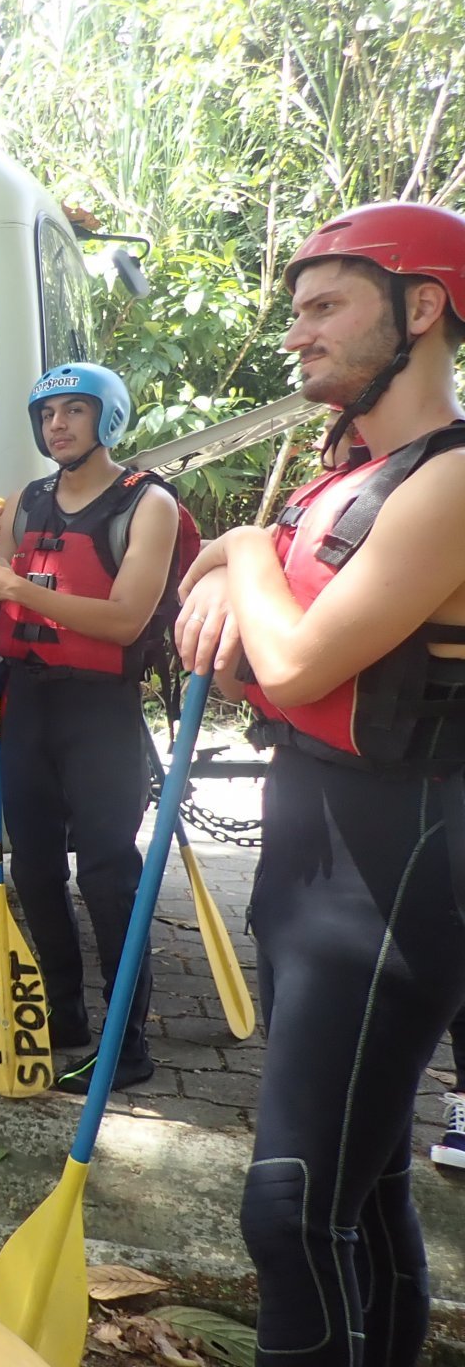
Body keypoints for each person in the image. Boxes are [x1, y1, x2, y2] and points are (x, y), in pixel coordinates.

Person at [177, 201, 465, 1364]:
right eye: (295, 310)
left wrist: (238, 554)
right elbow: (266, 649)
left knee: (290, 1210)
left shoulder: (448, 481)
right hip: (317, 853)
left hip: (395, 867)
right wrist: (229, 590)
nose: (299, 333)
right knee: (364, 1181)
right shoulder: (349, 478)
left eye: (327, 305)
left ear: (424, 308)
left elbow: (293, 651)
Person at [0, 363, 181, 1093]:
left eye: (74, 411)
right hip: (27, 702)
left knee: (108, 877)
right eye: (47, 413)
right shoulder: (28, 502)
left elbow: (125, 618)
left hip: (99, 710)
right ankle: (64, 1016)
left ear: (107, 419)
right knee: (34, 869)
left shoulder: (145, 503)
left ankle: (128, 1048)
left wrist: (16, 584)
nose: (57, 425)